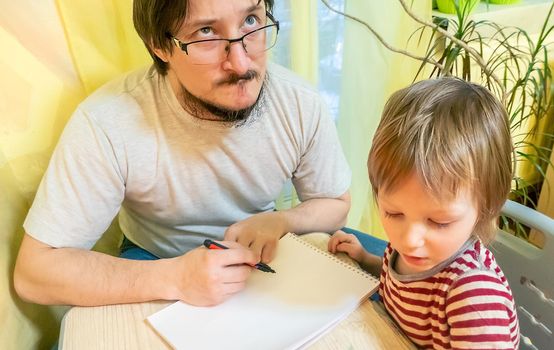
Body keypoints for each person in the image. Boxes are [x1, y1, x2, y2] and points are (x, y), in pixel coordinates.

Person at [14, 0, 351, 307]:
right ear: (159, 46)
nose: (240, 62)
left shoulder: (300, 103)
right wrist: (174, 277)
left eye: (250, 20)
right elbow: (35, 271)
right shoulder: (107, 121)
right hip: (154, 258)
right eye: (206, 32)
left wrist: (281, 220)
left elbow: (335, 202)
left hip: (265, 251)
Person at [328, 77, 520, 349]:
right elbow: (400, 282)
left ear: (485, 206)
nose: (408, 239)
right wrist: (364, 258)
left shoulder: (472, 295)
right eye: (393, 213)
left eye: (439, 222)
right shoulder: (410, 246)